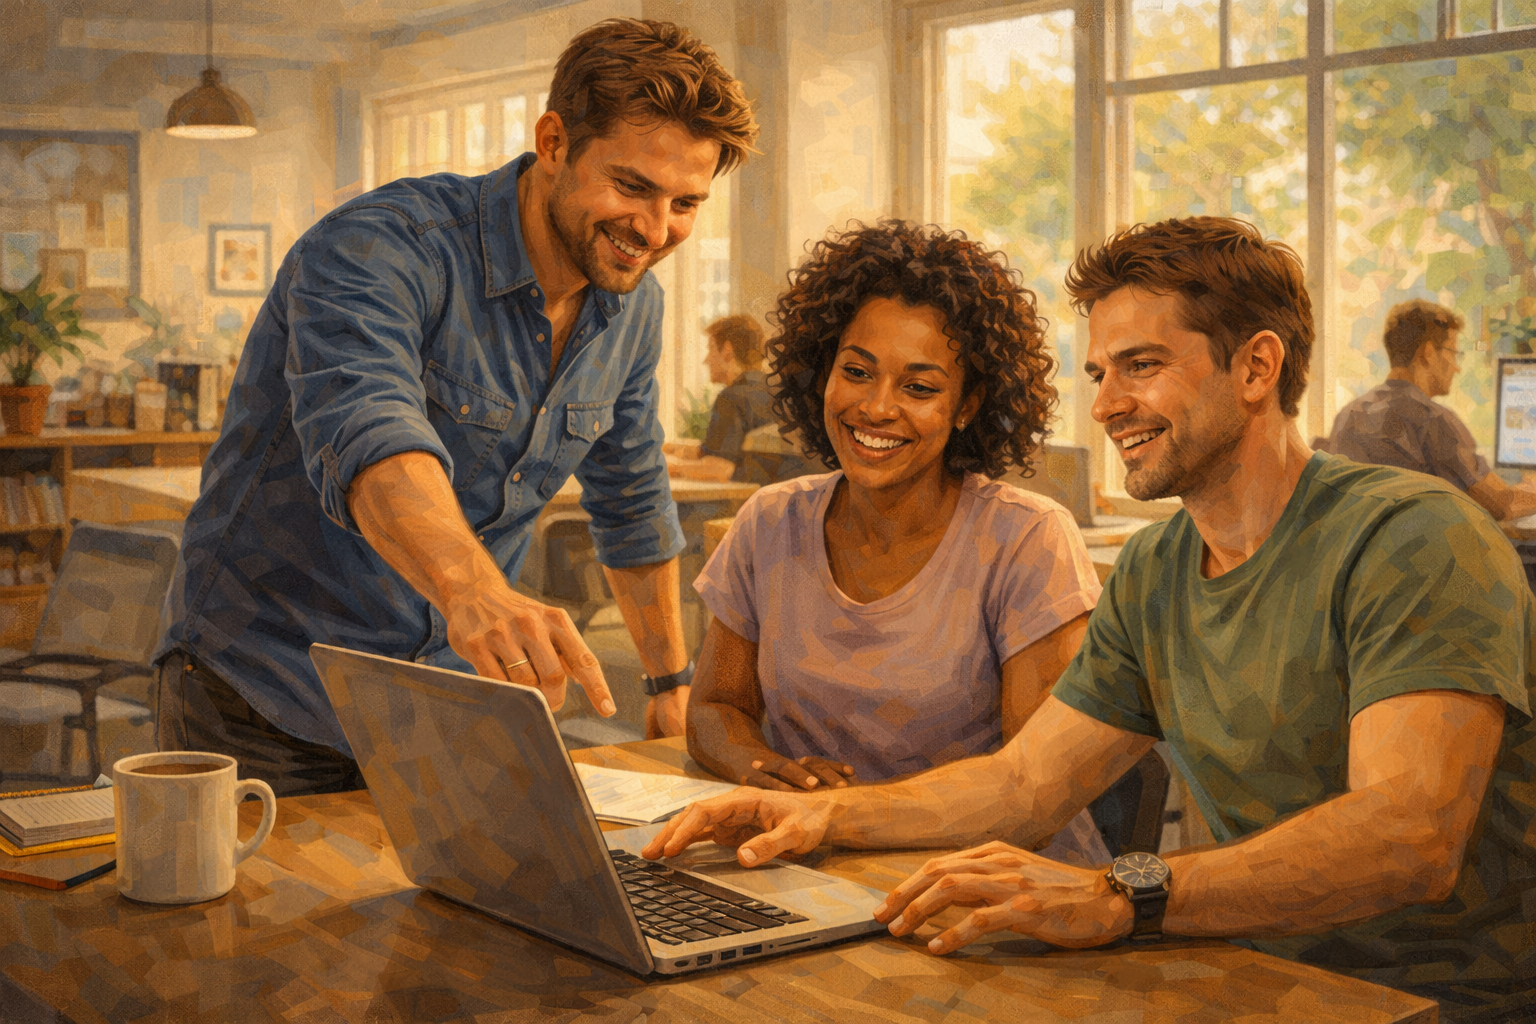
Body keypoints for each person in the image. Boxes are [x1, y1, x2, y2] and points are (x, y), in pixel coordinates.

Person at [643, 216, 1536, 1023]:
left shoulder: (1413, 537)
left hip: (1438, 999)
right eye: (1101, 373)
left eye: (1142, 367)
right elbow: (1024, 785)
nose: (1106, 404)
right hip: (1242, 973)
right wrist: (814, 818)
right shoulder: (1157, 568)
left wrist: (1124, 891)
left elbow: (1409, 837)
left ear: (1257, 367)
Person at [153, 18, 759, 796]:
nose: (653, 228)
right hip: (266, 689)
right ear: (552, 141)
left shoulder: (632, 309)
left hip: (444, 702)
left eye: (685, 203)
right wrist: (477, 592)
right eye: (632, 186)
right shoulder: (380, 246)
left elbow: (632, 497)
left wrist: (670, 682)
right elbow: (370, 432)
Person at [686, 221, 1102, 793]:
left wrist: (840, 819)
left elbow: (1030, 786)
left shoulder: (1027, 539)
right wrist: (767, 773)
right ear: (821, 373)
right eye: (856, 373)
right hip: (807, 862)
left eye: (919, 388)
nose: (877, 408)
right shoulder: (769, 521)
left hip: (979, 869)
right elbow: (714, 708)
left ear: (967, 405)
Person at [1327, 298, 1536, 519]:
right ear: (1428, 352)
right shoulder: (1433, 421)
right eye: (1453, 353)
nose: (1456, 367)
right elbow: (1502, 504)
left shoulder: (1348, 416)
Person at [667, 315, 815, 483]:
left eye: (711, 349)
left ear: (727, 353)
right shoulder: (772, 391)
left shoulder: (732, 398)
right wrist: (671, 448)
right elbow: (722, 450)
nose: (706, 360)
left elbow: (720, 468)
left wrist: (670, 467)